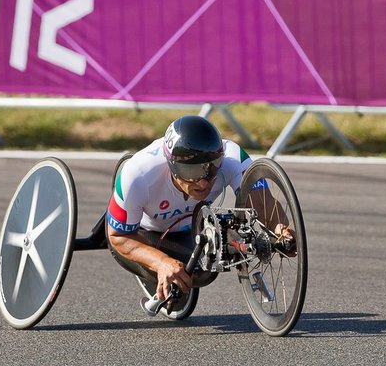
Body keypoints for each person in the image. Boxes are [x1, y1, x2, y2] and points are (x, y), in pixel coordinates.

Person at [106, 115, 291, 319]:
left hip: (191, 228)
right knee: (183, 275)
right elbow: (118, 236)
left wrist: (281, 231)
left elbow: (263, 202)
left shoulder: (232, 157)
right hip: (142, 232)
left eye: (211, 169)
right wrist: (161, 262)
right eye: (191, 172)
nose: (203, 183)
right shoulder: (138, 174)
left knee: (205, 270)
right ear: (171, 164)